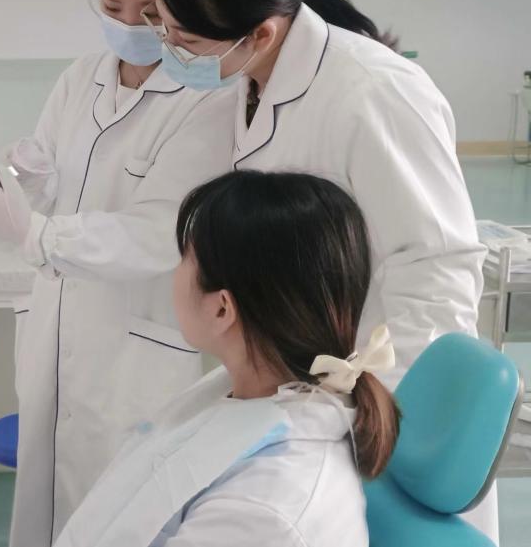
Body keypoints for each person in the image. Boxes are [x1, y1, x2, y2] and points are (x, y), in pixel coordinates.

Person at [0, 0, 236, 546]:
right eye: (112, 5)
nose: (126, 26)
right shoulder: (80, 78)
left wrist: (42, 236)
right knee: (46, 513)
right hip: (57, 340)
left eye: (147, 14)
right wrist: (25, 176)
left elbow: (161, 231)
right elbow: (49, 169)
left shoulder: (206, 99)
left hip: (136, 360)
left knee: (121, 520)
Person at [146, 0, 483, 390]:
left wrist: (398, 409)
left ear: (261, 33)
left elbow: (434, 269)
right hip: (295, 375)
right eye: (164, 29)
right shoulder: (250, 80)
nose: (172, 52)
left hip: (372, 383)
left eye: (187, 42)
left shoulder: (375, 93)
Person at [55, 170, 400, 547]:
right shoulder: (250, 389)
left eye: (185, 258)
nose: (175, 273)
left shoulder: (266, 512)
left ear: (222, 308)